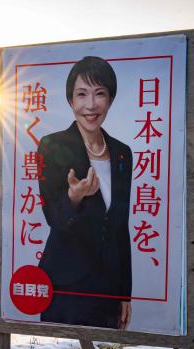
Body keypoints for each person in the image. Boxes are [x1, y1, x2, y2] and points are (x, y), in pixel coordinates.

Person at [36, 56, 133, 329]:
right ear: (70, 101)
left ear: (110, 100)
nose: (90, 105)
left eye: (99, 93)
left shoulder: (122, 153)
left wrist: (124, 293)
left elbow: (119, 225)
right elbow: (54, 217)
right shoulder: (52, 145)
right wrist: (74, 197)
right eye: (82, 94)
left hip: (108, 289)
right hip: (65, 286)